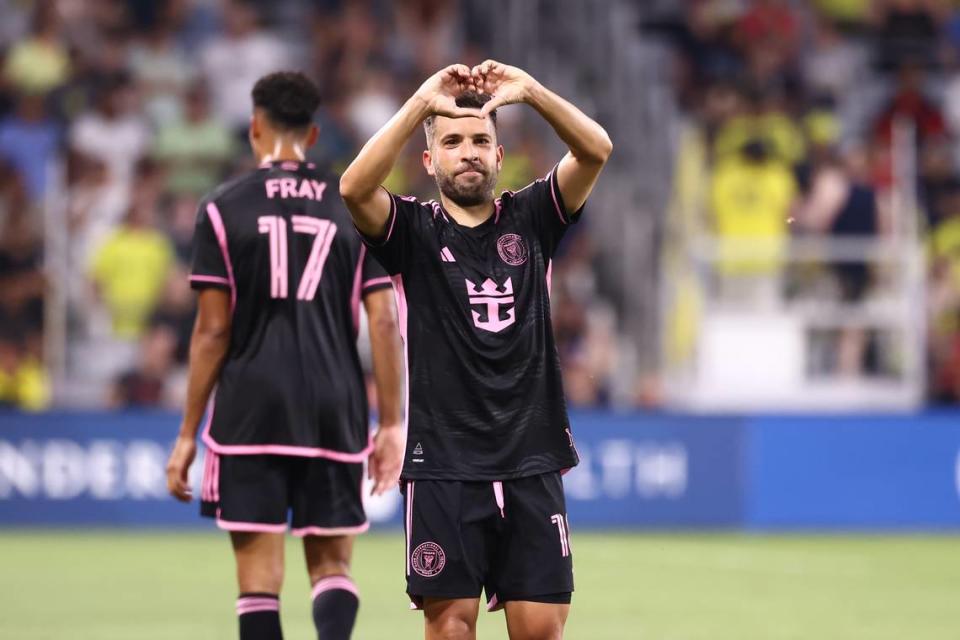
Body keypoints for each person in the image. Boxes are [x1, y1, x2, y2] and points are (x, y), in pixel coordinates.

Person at [340, 60, 612, 640]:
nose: (468, 151)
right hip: (442, 465)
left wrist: (533, 92)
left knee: (541, 630)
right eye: (454, 141)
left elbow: (596, 150)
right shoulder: (411, 231)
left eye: (482, 140)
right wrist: (420, 102)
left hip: (531, 456)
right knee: (451, 631)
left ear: (498, 155)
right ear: (429, 159)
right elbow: (353, 187)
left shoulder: (533, 217)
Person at [165, 71, 405, 640]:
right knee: (333, 569)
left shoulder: (222, 208)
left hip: (250, 407)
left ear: (254, 129)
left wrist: (186, 433)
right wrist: (392, 422)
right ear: (314, 135)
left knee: (258, 580)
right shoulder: (354, 204)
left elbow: (211, 333)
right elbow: (384, 318)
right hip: (333, 403)